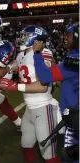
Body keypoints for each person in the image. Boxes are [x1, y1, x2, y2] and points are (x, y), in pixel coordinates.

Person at [0, 25, 61, 163]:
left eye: (26, 36)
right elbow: (12, 67)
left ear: (35, 38)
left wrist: (15, 86)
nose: (22, 38)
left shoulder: (42, 54)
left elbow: (42, 86)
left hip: (44, 107)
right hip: (30, 108)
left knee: (48, 154)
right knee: (26, 144)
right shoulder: (22, 54)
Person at [32, 23, 79, 163]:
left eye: (68, 36)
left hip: (75, 118)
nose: (65, 39)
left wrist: (37, 53)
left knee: (70, 157)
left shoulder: (74, 60)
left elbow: (45, 76)